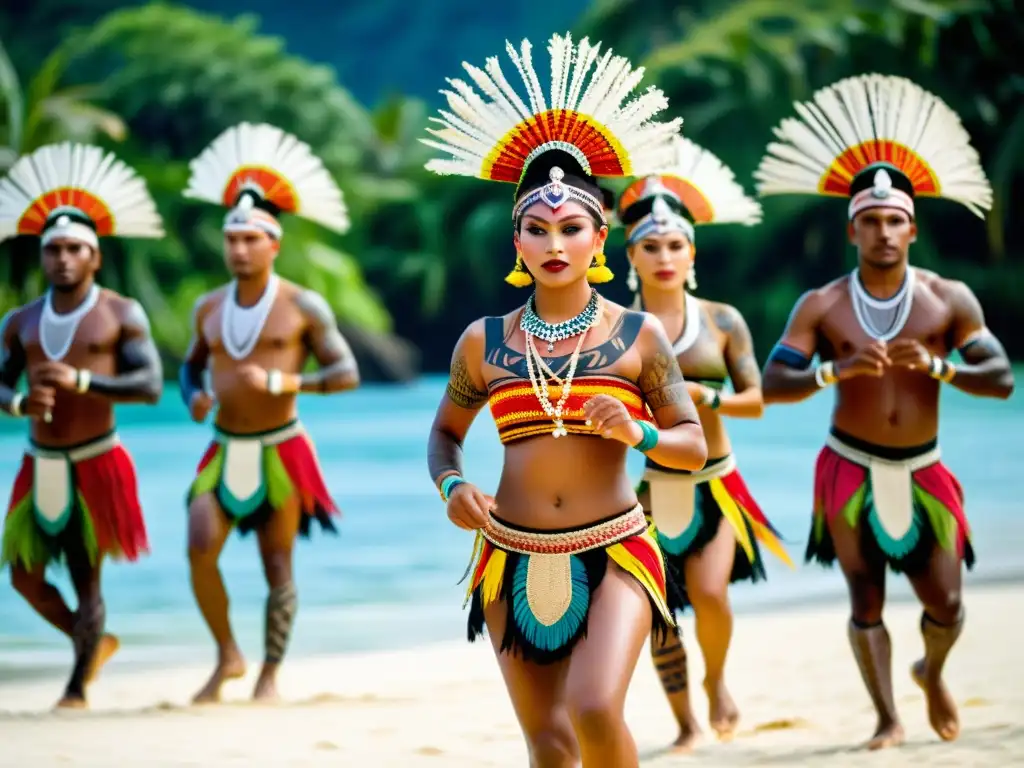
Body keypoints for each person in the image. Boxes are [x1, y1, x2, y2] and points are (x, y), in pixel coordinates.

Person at [423, 32, 708, 767]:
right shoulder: (482, 343)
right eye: (537, 228)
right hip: (509, 555)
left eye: (571, 227)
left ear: (598, 236)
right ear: (516, 240)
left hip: (616, 547)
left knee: (592, 708)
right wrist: (452, 484)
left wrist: (640, 434)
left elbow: (692, 444)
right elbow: (445, 435)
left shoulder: (639, 336)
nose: (555, 242)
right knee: (547, 743)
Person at [754, 73, 1014, 749]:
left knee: (948, 604)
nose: (883, 231)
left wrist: (939, 366)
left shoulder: (947, 299)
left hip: (923, 471)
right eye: (869, 221)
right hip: (849, 469)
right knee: (864, 600)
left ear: (913, 227)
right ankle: (888, 718)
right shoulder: (821, 304)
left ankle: (932, 670)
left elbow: (1000, 379)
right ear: (852, 230)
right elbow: (772, 381)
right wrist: (831, 370)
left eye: (894, 219)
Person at [617, 136, 793, 749]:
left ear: (692, 254)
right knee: (660, 613)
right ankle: (685, 721)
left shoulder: (722, 321)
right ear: (630, 256)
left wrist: (706, 396)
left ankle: (717, 681)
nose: (664, 255)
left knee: (712, 595)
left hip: (714, 482)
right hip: (641, 491)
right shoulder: (616, 328)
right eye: (650, 246)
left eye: (674, 245)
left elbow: (759, 399)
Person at [178, 122, 360, 703]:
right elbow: (188, 368)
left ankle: (270, 675)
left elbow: (346, 374)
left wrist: (285, 380)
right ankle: (228, 653)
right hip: (224, 445)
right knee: (199, 543)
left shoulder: (303, 304)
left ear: (274, 244)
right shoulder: (208, 307)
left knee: (276, 565)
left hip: (282, 447)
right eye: (231, 238)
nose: (239, 248)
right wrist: (193, 396)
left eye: (251, 239)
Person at [0, 142, 165, 708]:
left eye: (74, 249)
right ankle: (89, 641)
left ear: (94, 257)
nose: (62, 259)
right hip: (38, 462)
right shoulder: (20, 321)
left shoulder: (121, 313)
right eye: (53, 250)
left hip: (96, 460)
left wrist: (83, 383)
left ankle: (76, 688)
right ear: (42, 257)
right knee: (22, 576)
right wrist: (20, 404)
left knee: (85, 574)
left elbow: (149, 387)